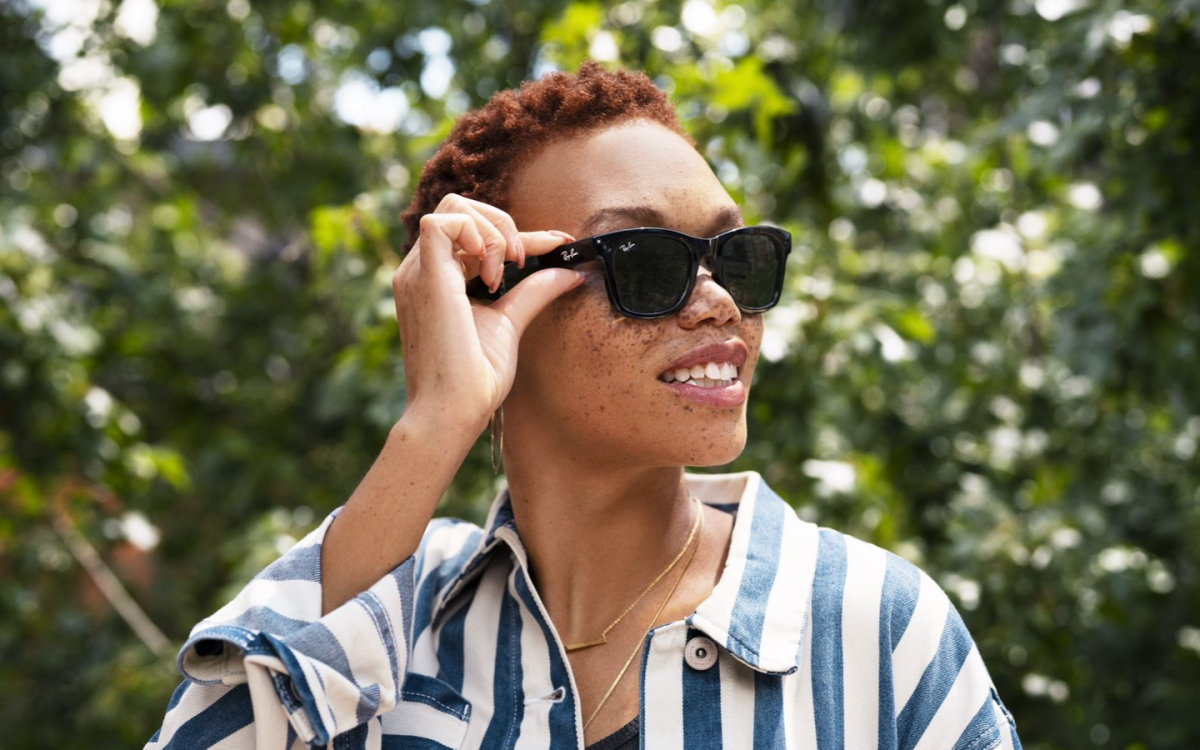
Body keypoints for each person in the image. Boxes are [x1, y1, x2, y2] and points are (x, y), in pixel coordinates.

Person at [144, 61, 1022, 750]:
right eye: (644, 261)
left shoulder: (873, 630)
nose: (720, 302)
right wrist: (434, 426)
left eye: (739, 256)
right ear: (492, 301)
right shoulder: (389, 610)